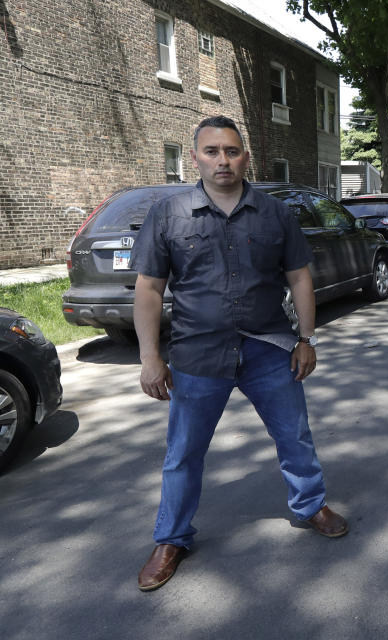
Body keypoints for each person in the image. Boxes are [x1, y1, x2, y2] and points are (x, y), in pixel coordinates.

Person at [130, 115, 347, 592]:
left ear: (245, 156)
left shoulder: (274, 213)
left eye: (231, 151)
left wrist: (306, 339)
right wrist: (150, 357)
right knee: (183, 453)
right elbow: (148, 288)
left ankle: (311, 505)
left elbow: (299, 278)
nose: (222, 160)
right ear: (195, 157)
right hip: (197, 355)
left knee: (294, 436)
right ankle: (172, 538)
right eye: (212, 151)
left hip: (269, 347)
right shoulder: (170, 215)